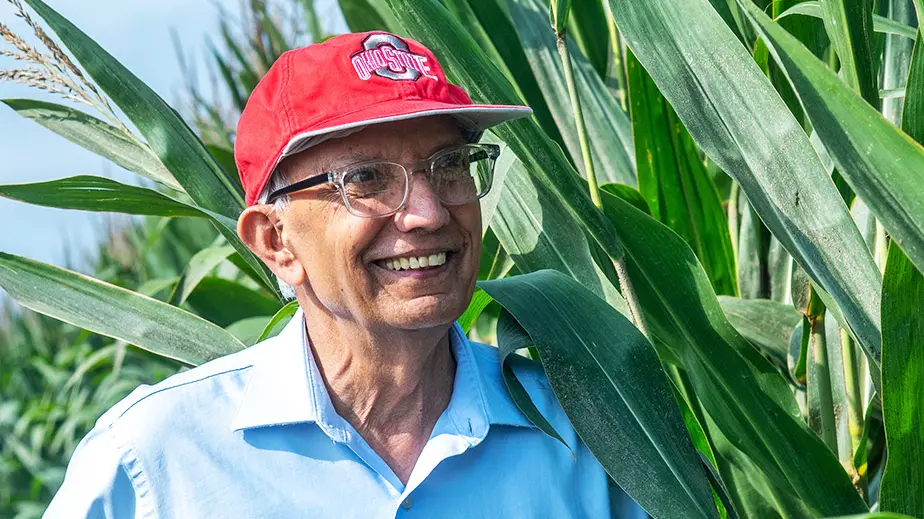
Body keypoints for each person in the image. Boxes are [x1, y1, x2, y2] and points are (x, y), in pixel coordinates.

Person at [44, 32, 645, 518]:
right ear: (276, 242)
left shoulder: (588, 435)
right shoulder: (154, 462)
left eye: (450, 166)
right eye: (364, 180)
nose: (429, 212)